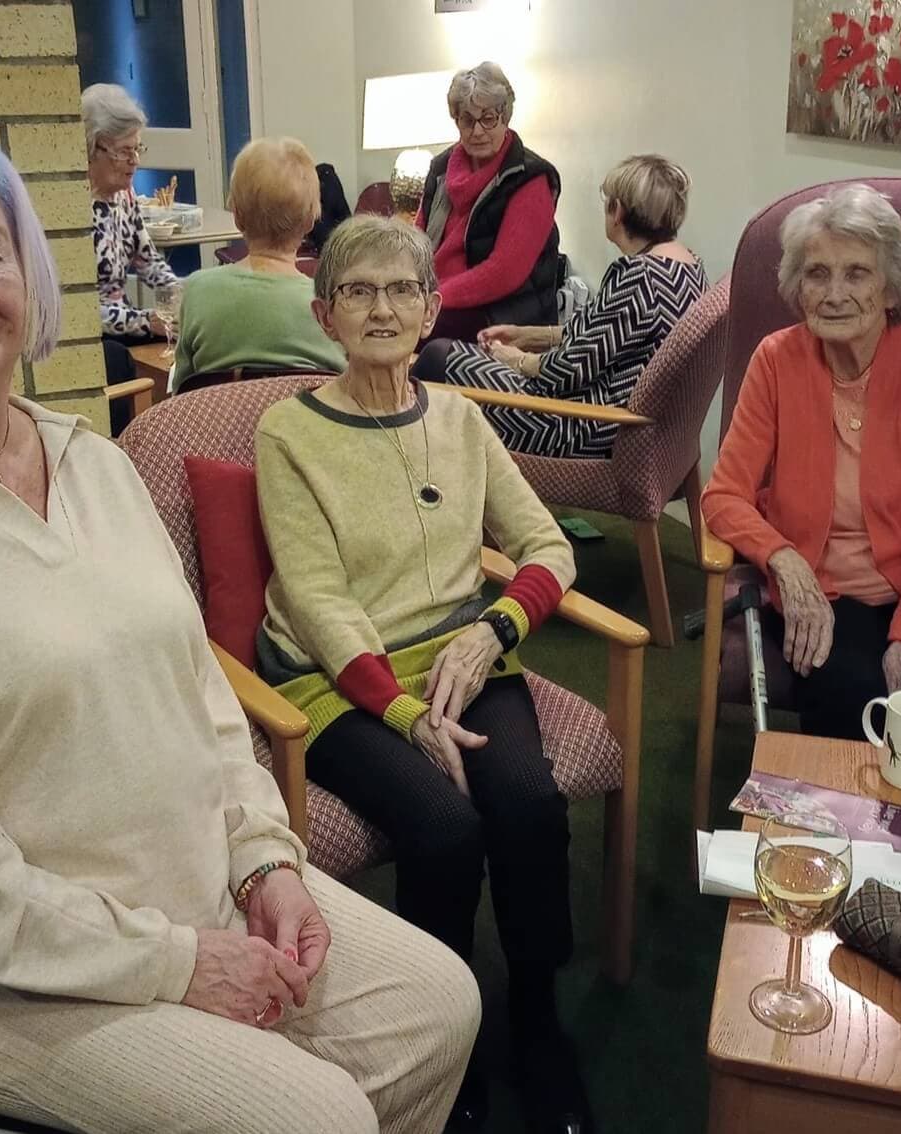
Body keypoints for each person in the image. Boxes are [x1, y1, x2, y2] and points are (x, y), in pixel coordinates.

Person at [0, 131, 480, 1134]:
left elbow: (201, 697)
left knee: (439, 1007)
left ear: (29, 278)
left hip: (184, 877)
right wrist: (178, 965)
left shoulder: (95, 462)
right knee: (313, 1119)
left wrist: (266, 860)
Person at [254, 215, 591, 1134]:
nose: (383, 307)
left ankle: (534, 1015)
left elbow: (547, 546)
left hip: (465, 654)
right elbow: (318, 602)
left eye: (403, 289)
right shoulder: (288, 433)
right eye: (357, 290)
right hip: (336, 679)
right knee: (443, 828)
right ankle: (449, 1043)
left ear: (432, 307)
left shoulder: (463, 417)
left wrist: (493, 630)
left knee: (527, 802)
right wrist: (405, 713)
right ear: (324, 314)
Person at [703, 183, 901, 738]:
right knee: (850, 695)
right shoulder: (777, 360)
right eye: (817, 274)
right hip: (827, 593)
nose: (834, 293)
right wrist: (784, 561)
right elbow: (723, 495)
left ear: (889, 287)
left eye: (856, 273)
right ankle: (839, 826)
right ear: (797, 286)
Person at [415, 155, 707, 458]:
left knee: (437, 356)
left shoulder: (639, 278)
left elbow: (566, 373)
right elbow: (602, 338)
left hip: (578, 426)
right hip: (617, 419)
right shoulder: (686, 267)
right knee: (453, 356)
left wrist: (513, 359)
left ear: (617, 211)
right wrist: (527, 336)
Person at [171, 138, 345, 391]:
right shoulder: (330, 305)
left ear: (238, 217)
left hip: (217, 429)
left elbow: (181, 389)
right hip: (305, 429)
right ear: (310, 222)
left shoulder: (197, 289)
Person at [416, 61, 561, 343]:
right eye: (467, 120)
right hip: (437, 301)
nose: (477, 131)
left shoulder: (529, 177)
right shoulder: (441, 169)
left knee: (412, 335)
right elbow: (416, 243)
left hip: (501, 317)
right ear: (456, 120)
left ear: (505, 117)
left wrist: (431, 301)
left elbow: (503, 273)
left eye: (488, 118)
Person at [81, 84, 177, 381]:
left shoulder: (125, 195)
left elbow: (149, 263)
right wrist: (148, 321)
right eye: (125, 151)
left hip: (129, 326)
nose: (135, 160)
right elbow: (80, 313)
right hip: (95, 339)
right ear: (92, 147)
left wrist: (183, 300)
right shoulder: (71, 210)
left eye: (137, 148)